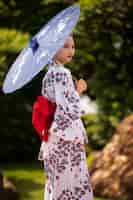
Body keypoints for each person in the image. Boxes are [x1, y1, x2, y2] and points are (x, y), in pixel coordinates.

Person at [38, 34, 94, 200]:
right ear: (53, 50)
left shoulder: (49, 74)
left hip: (53, 135)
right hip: (66, 136)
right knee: (71, 182)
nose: (71, 50)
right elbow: (69, 108)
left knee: (56, 183)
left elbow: (58, 103)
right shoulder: (62, 73)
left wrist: (73, 91)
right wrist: (79, 91)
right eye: (65, 46)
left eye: (73, 46)